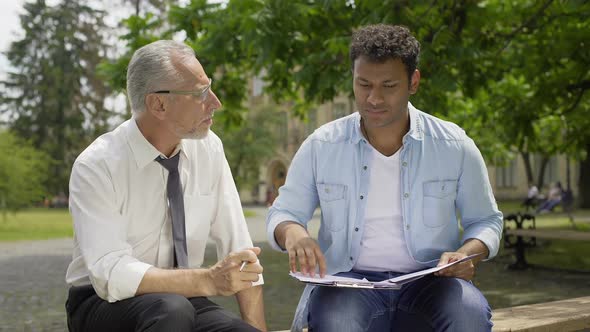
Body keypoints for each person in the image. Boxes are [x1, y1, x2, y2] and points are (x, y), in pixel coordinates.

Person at [266, 24, 503, 332]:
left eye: (388, 86)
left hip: (431, 281)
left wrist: (466, 253)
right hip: (348, 284)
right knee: (338, 322)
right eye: (363, 84)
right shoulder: (321, 145)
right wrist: (294, 234)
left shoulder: (454, 145)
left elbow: (486, 220)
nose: (374, 98)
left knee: (469, 315)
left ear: (413, 82)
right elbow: (283, 212)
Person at [66, 40, 266, 332]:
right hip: (101, 302)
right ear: (158, 103)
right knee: (171, 311)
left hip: (185, 296)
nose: (216, 102)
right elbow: (109, 274)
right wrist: (208, 280)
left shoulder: (209, 149)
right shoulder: (96, 166)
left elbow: (240, 249)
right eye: (200, 93)